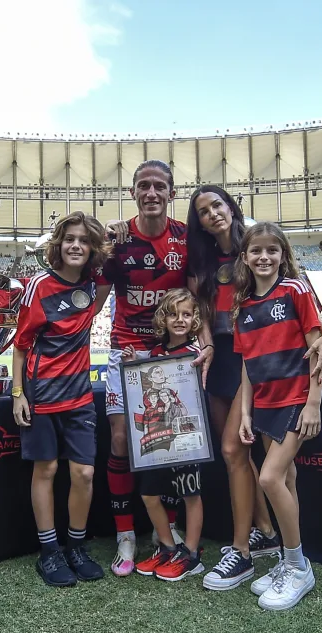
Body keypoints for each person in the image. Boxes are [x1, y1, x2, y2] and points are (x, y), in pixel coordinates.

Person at [184, 186, 322, 592]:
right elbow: (202, 309)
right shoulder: (207, 266)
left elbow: (316, 331)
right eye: (203, 210)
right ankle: (271, 537)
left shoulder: (273, 268)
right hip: (235, 358)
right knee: (254, 460)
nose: (212, 214)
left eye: (218, 205)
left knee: (244, 456)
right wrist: (209, 342)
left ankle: (257, 554)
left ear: (233, 208)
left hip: (274, 375)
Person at [93, 160, 204, 577]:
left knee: (171, 440)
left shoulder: (185, 239)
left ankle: (168, 535)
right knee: (121, 439)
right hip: (126, 352)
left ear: (171, 193)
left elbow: (199, 298)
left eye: (160, 186)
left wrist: (204, 342)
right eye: (144, 186)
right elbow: (96, 299)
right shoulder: (117, 240)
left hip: (172, 356)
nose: (152, 192)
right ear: (134, 192)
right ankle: (125, 535)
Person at [11, 211, 109, 587]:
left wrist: (105, 231)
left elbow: (112, 254)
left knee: (83, 473)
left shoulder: (93, 286)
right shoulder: (39, 285)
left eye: (84, 241)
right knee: (46, 471)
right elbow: (21, 347)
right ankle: (50, 553)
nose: (76, 246)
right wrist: (17, 394)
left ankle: (76, 547)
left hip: (79, 397)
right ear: (58, 244)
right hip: (41, 396)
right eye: (70, 239)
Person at [232, 221, 322, 611]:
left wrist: (314, 403)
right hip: (265, 404)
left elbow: (318, 347)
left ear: (283, 255)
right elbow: (247, 366)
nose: (264, 257)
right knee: (286, 478)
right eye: (256, 250)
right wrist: (245, 414)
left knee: (269, 477)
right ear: (245, 257)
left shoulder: (296, 290)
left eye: (272, 250)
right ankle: (289, 562)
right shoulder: (244, 305)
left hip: (295, 400)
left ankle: (299, 567)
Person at [125, 288, 206, 581]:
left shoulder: (197, 353)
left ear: (195, 319)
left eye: (186, 314)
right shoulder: (157, 354)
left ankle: (192, 554)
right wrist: (134, 363)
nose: (180, 320)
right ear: (163, 318)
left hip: (187, 440)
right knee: (148, 493)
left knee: (190, 494)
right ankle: (169, 548)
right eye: (173, 314)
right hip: (159, 439)